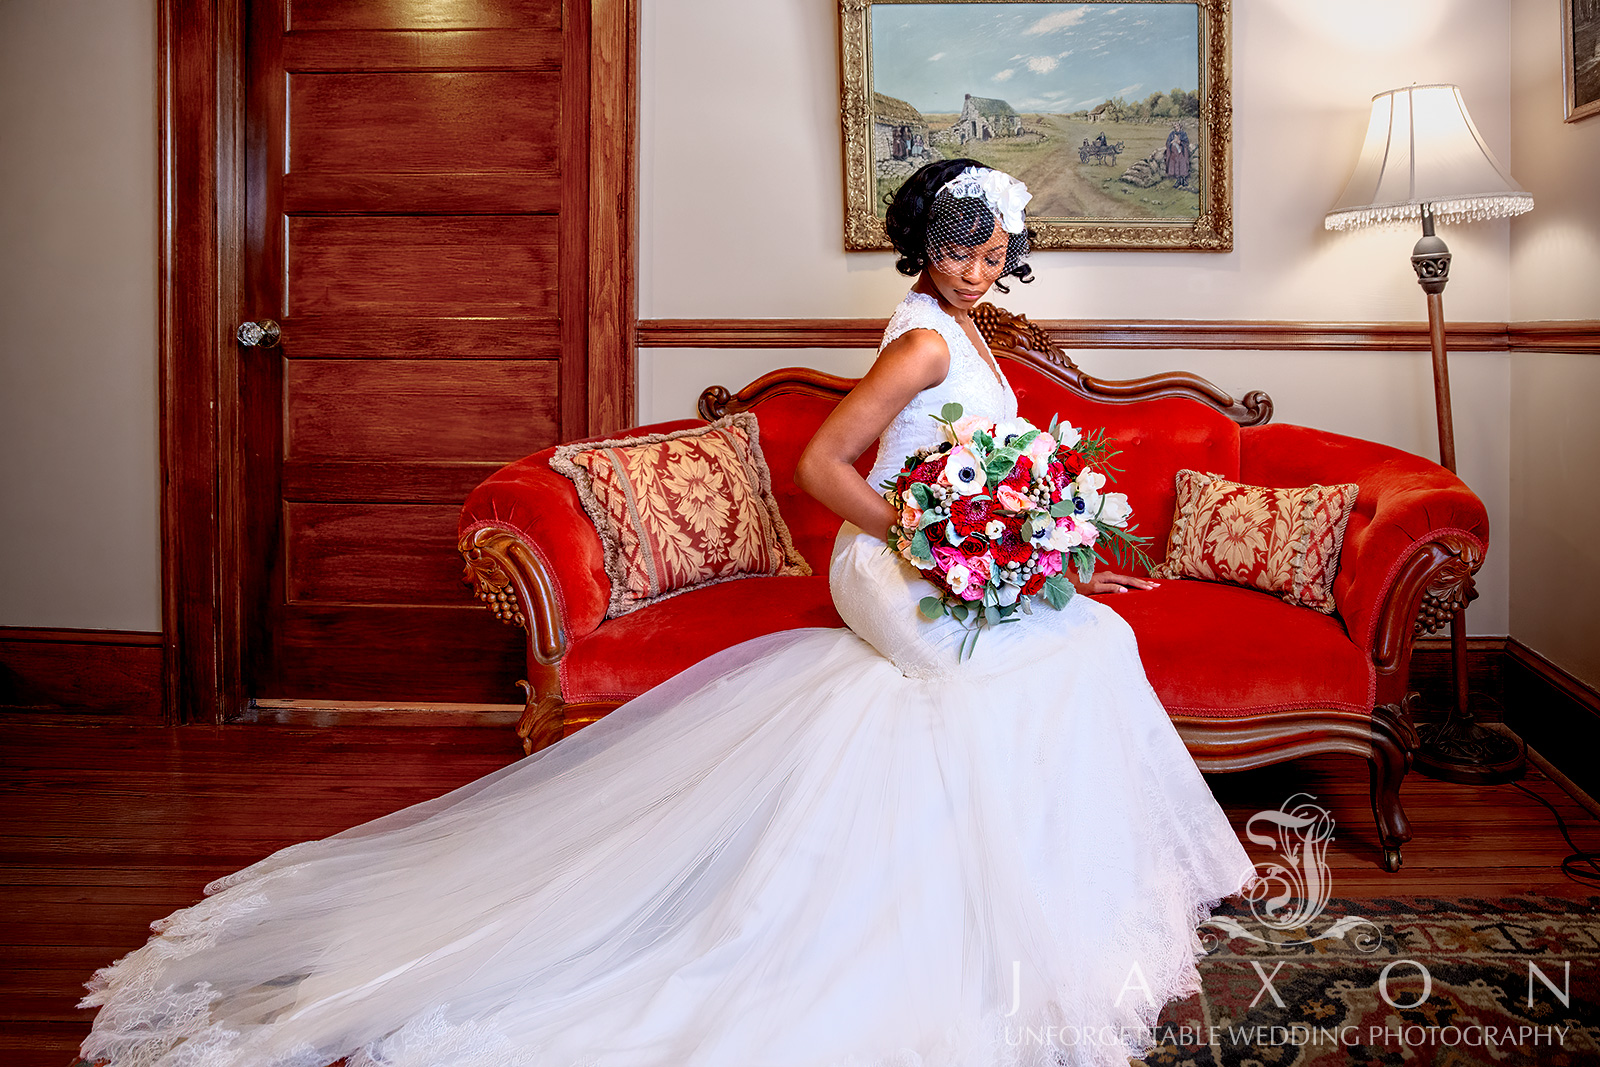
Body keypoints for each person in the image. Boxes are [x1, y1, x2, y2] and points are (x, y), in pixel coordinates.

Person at [78, 159, 1253, 1067]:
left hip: (939, 550)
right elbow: (827, 470)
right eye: (962, 237)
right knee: (1014, 672)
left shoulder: (960, 329)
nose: (983, 255)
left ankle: (1044, 885)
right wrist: (927, 534)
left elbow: (972, 468)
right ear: (925, 244)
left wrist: (1019, 535)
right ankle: (947, 913)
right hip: (893, 561)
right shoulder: (922, 342)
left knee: (1089, 638)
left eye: (998, 238)